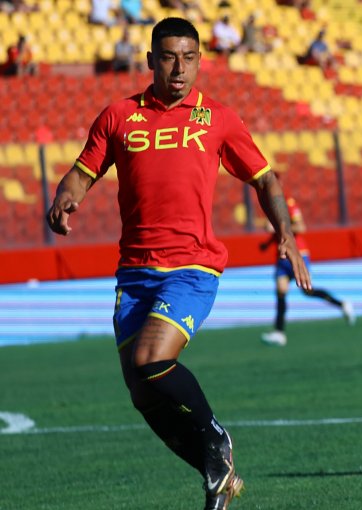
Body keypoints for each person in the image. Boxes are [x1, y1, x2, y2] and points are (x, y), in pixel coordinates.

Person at [45, 17, 310, 510]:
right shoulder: (118, 117)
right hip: (135, 272)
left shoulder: (219, 119)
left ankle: (216, 439)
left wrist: (287, 236)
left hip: (192, 267)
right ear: (150, 61)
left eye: (189, 58)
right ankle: (215, 473)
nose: (179, 68)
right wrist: (64, 199)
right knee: (142, 393)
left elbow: (266, 180)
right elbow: (83, 172)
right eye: (168, 57)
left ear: (200, 60)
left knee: (151, 361)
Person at [259, 196, 355, 346]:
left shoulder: (288, 204)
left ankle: (342, 304)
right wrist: (267, 242)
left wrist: (279, 228)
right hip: (282, 256)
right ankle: (279, 332)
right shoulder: (269, 206)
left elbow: (301, 227)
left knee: (307, 291)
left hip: (298, 254)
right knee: (281, 291)